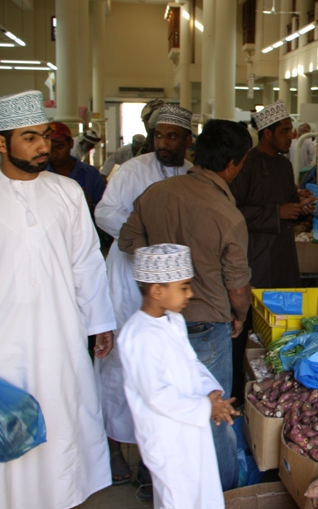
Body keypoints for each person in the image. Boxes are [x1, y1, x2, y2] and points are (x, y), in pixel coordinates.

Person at [0, 90, 116, 509]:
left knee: (57, 430)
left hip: (58, 338)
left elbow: (86, 263)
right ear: (0, 143)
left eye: (45, 137)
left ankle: (50, 508)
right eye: (30, 138)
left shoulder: (68, 191)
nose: (42, 147)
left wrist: (99, 324)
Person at [118, 119, 254, 492]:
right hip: (209, 324)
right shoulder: (228, 215)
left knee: (161, 406)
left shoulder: (155, 193)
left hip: (162, 320)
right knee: (215, 414)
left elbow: (127, 241)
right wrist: (240, 317)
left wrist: (162, 269)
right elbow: (238, 286)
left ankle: (152, 480)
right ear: (231, 165)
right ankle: (225, 496)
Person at [94, 104, 194, 489]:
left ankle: (151, 458)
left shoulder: (190, 173)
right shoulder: (134, 170)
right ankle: (114, 444)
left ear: (188, 140)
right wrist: (148, 238)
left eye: (172, 136)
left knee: (161, 367)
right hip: (128, 278)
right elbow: (105, 213)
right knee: (121, 362)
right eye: (158, 135)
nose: (163, 143)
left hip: (171, 286)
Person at [119, 243, 239, 509]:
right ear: (157, 290)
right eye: (184, 286)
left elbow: (192, 364)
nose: (191, 293)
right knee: (178, 505)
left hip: (189, 428)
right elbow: (156, 396)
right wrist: (204, 408)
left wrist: (212, 393)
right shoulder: (138, 336)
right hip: (167, 438)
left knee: (201, 496)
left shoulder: (173, 320)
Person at [229, 99, 316, 289]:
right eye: (284, 131)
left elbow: (288, 204)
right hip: (256, 254)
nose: (291, 137)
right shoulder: (246, 165)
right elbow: (233, 213)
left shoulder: (284, 165)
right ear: (267, 134)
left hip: (284, 253)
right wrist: (277, 212)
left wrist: (301, 206)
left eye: (290, 130)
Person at [46, 121, 107, 212]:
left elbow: (105, 210)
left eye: (59, 147)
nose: (54, 154)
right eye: (49, 148)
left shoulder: (91, 174)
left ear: (71, 144)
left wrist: (90, 207)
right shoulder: (37, 175)